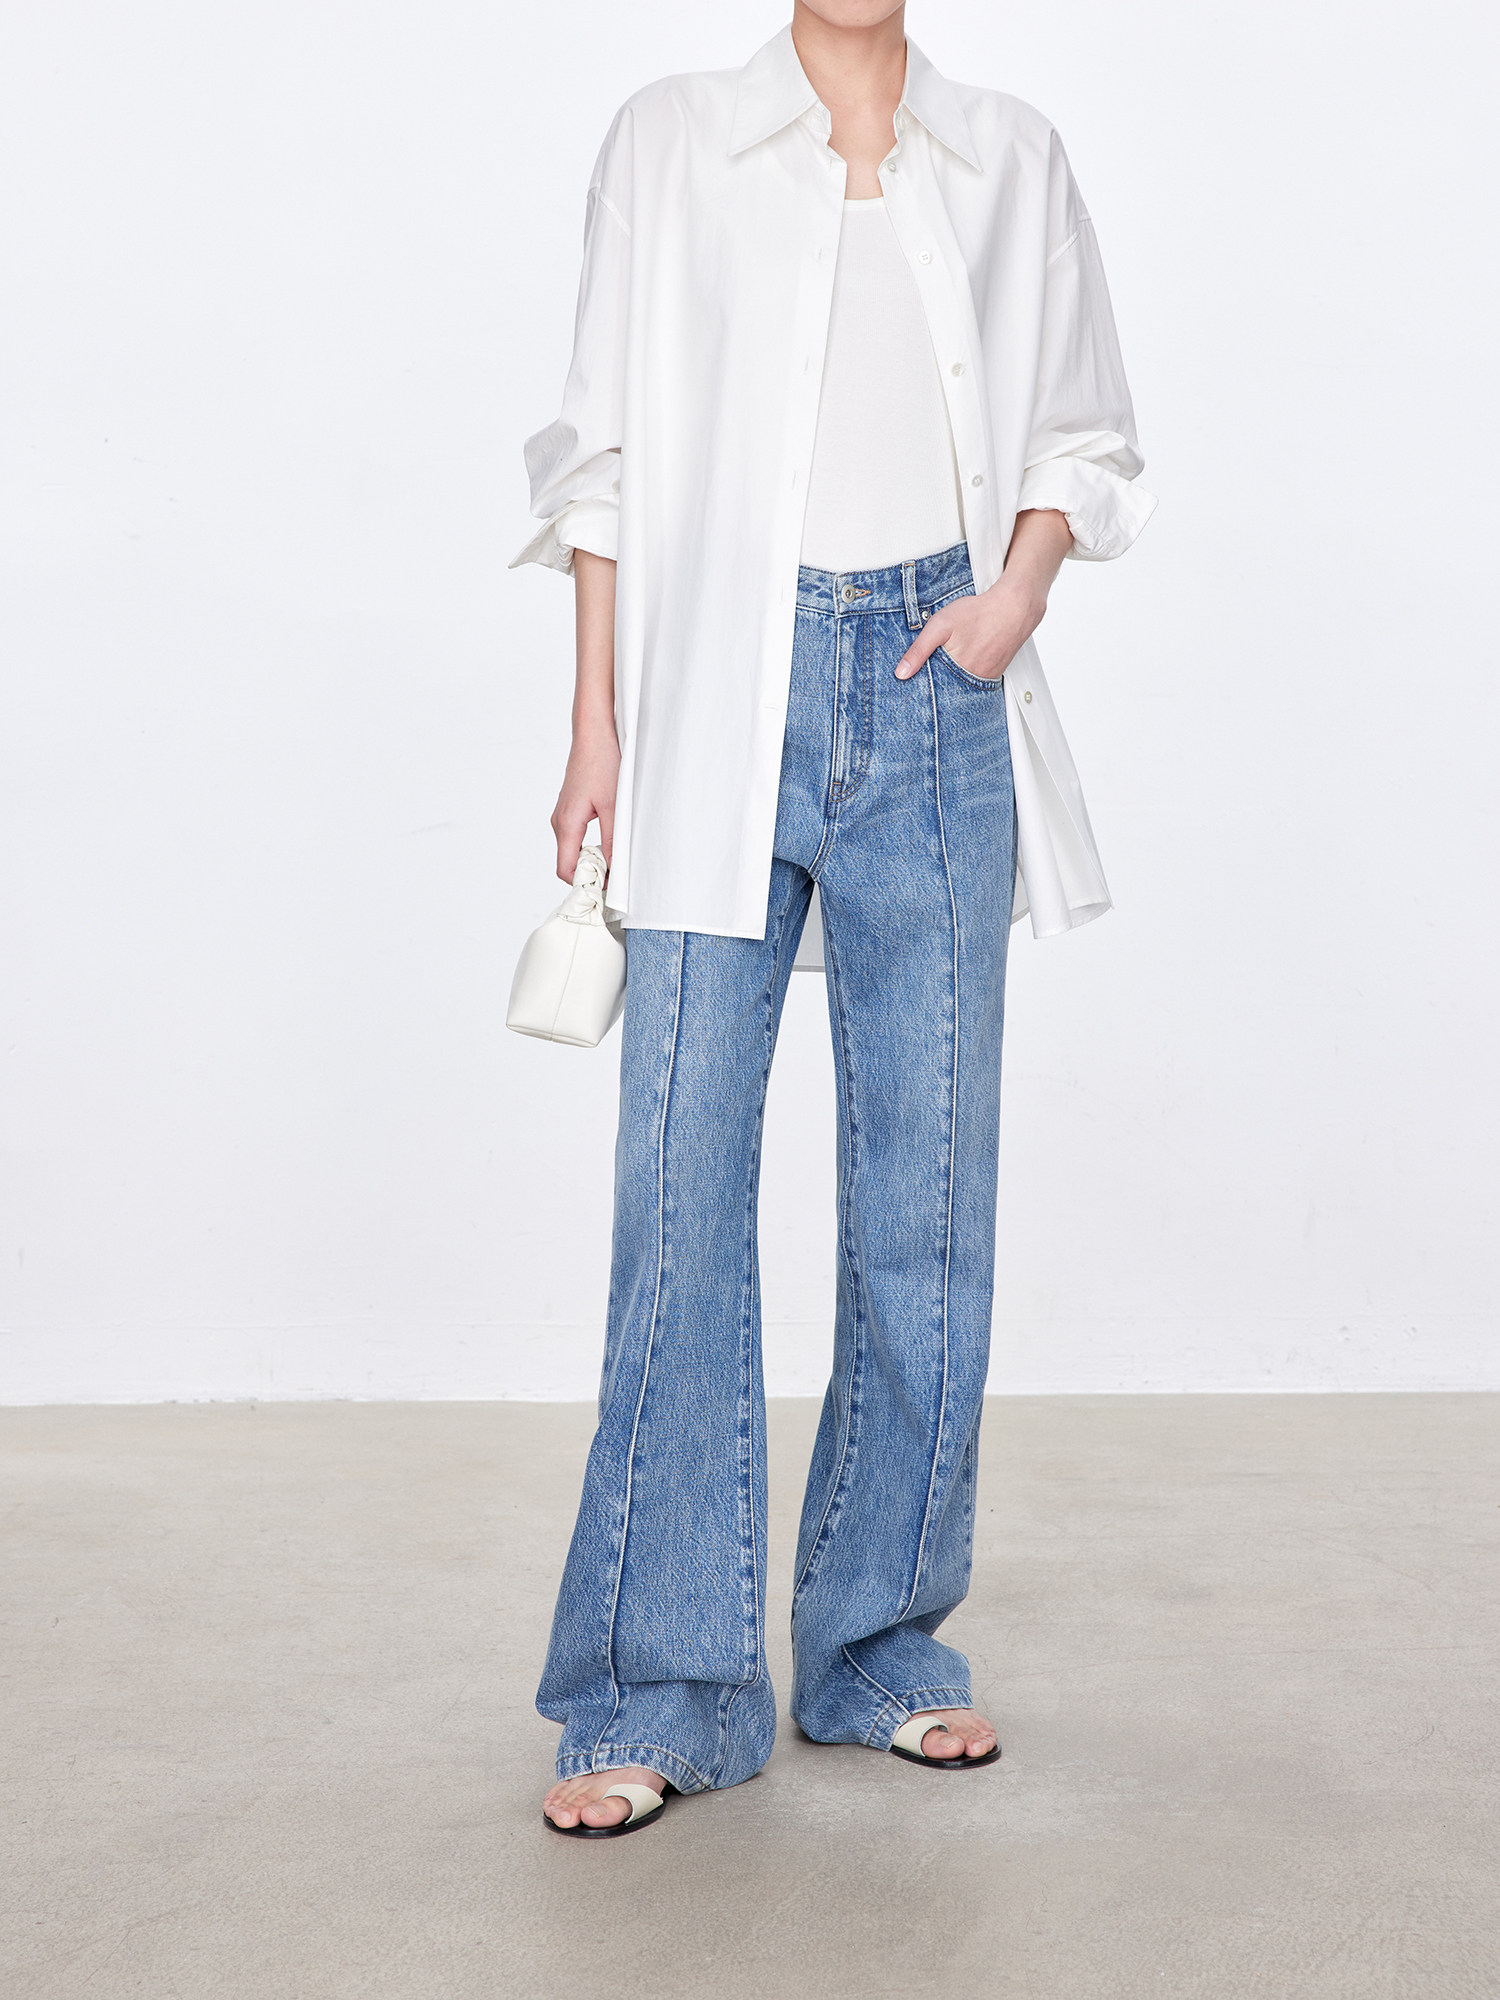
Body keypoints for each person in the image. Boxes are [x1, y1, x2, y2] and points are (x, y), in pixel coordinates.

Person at [512, 1, 1154, 1837]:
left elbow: (1083, 434)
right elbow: (600, 461)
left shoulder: (1011, 156)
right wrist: (595, 720)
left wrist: (1016, 601)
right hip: (722, 684)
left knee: (925, 1202)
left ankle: (876, 1643)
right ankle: (659, 1685)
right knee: (679, 1192)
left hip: (941, 682)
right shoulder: (670, 144)